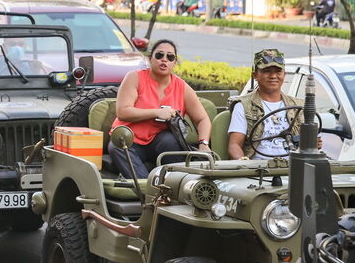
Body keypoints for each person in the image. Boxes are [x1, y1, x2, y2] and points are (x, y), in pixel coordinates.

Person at [108, 39, 212, 179]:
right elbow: (123, 112)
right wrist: (156, 112)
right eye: (159, 55)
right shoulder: (134, 77)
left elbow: (203, 119)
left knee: (170, 140)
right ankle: (149, 188)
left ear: (175, 63)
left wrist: (203, 143)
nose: (164, 60)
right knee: (117, 146)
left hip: (159, 143)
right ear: (150, 59)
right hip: (130, 140)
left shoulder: (182, 87)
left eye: (170, 57)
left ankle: (175, 184)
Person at [227, 49, 302, 160]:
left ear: (284, 75)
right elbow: (234, 145)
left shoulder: (297, 106)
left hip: (292, 168)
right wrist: (243, 163)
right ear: (255, 75)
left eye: (278, 71)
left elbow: (309, 143)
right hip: (259, 171)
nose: (273, 76)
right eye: (267, 71)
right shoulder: (244, 105)